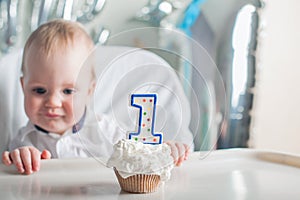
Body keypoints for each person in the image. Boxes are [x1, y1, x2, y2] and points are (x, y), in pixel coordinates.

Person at [1, 19, 190, 175]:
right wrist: (21, 160)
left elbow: (140, 156)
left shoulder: (106, 131)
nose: (52, 102)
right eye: (39, 91)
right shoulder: (24, 141)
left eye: (68, 91)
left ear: (89, 91)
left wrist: (165, 151)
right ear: (23, 87)